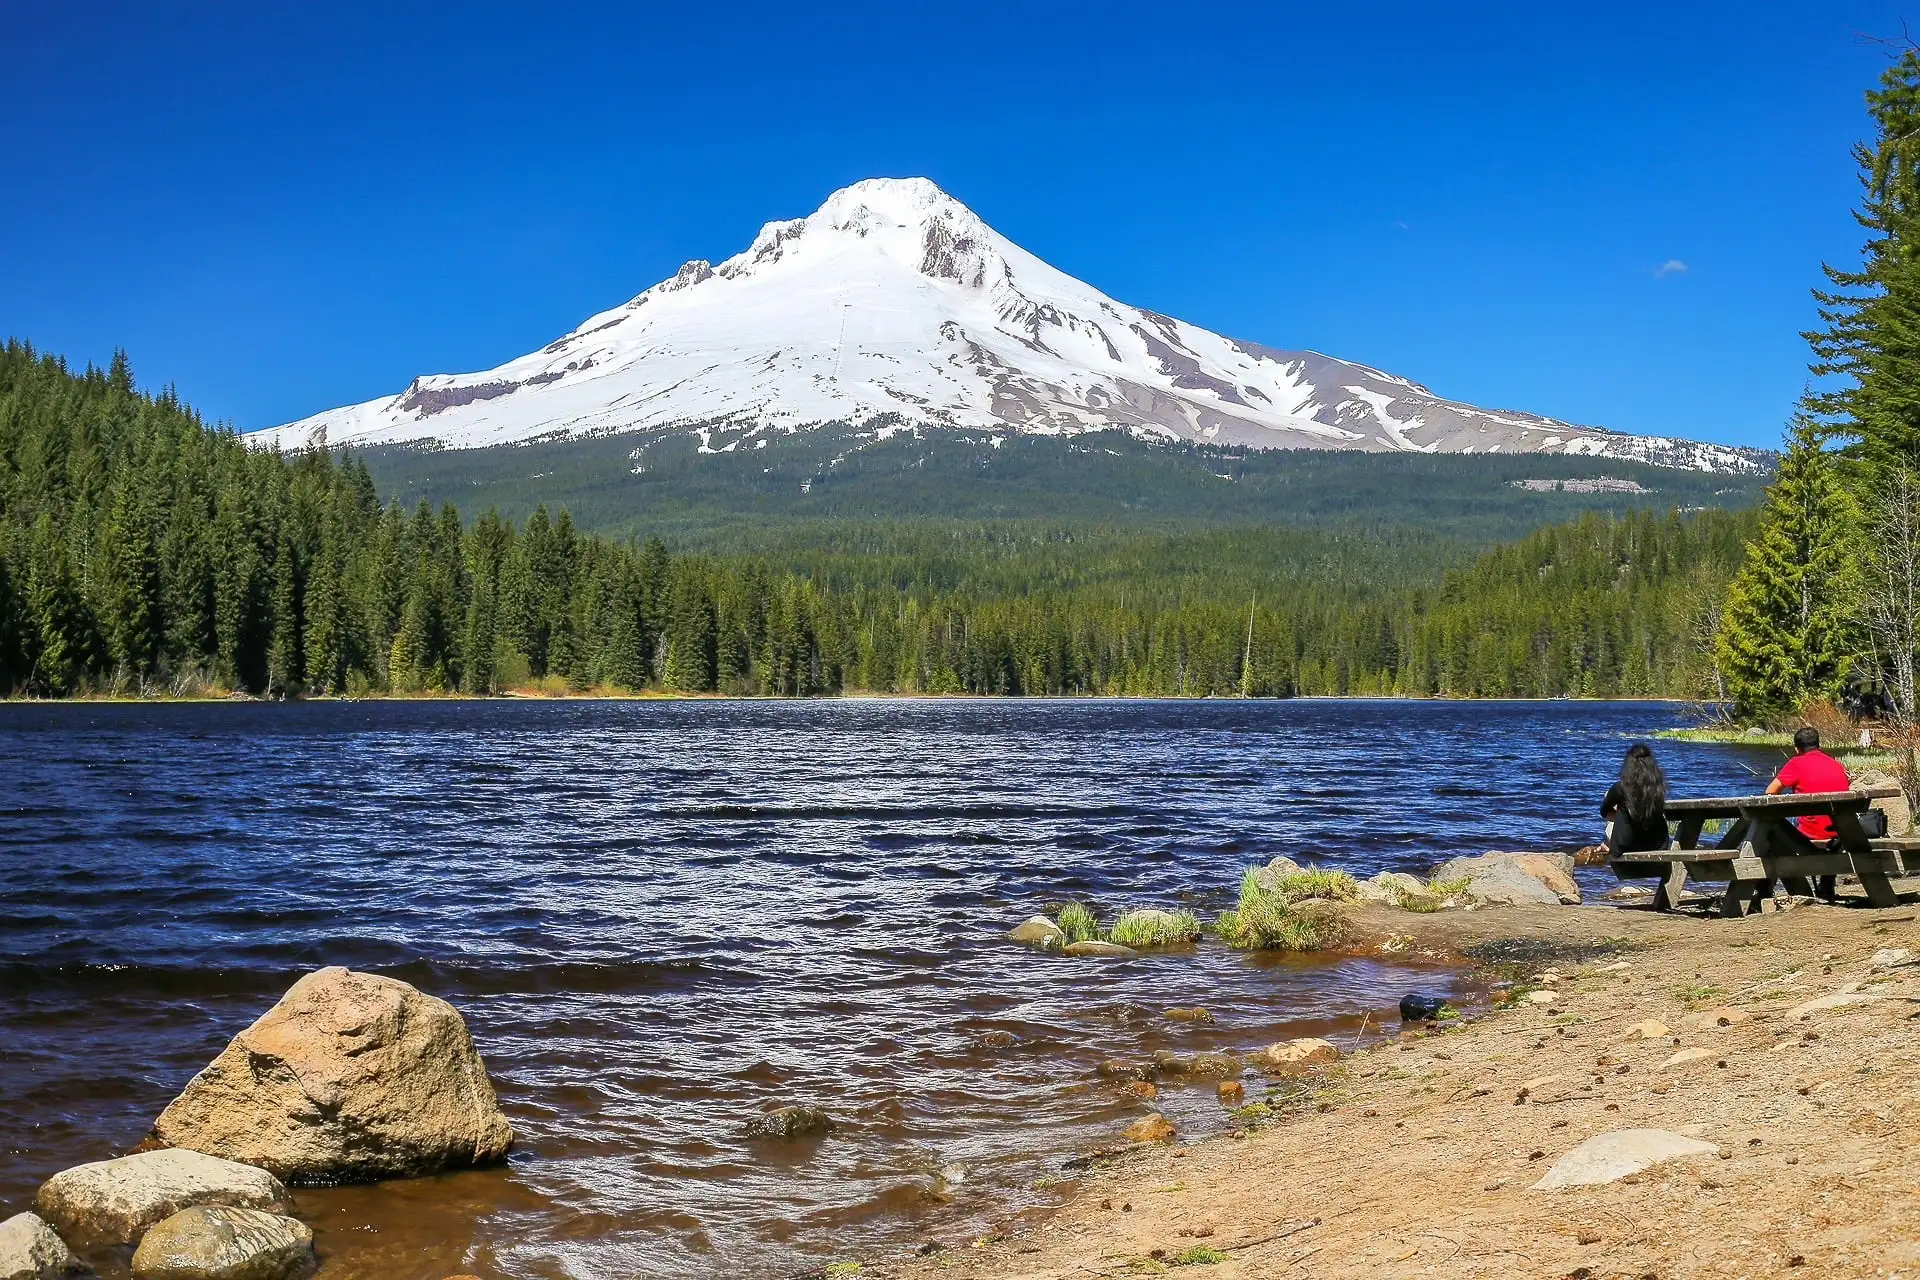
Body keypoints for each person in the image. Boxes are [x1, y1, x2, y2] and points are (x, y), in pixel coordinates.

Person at [1767, 726, 1852, 842]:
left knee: (1770, 827)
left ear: (1797, 749)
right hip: (1841, 831)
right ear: (1818, 745)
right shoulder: (1836, 764)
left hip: (1811, 833)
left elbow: (1770, 791)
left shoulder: (1796, 763)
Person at [1601, 743, 1669, 855]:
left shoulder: (1620, 788)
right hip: (1658, 845)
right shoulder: (1659, 788)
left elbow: (1604, 812)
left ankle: (1608, 846)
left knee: (1610, 801)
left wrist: (1618, 813)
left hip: (1627, 846)